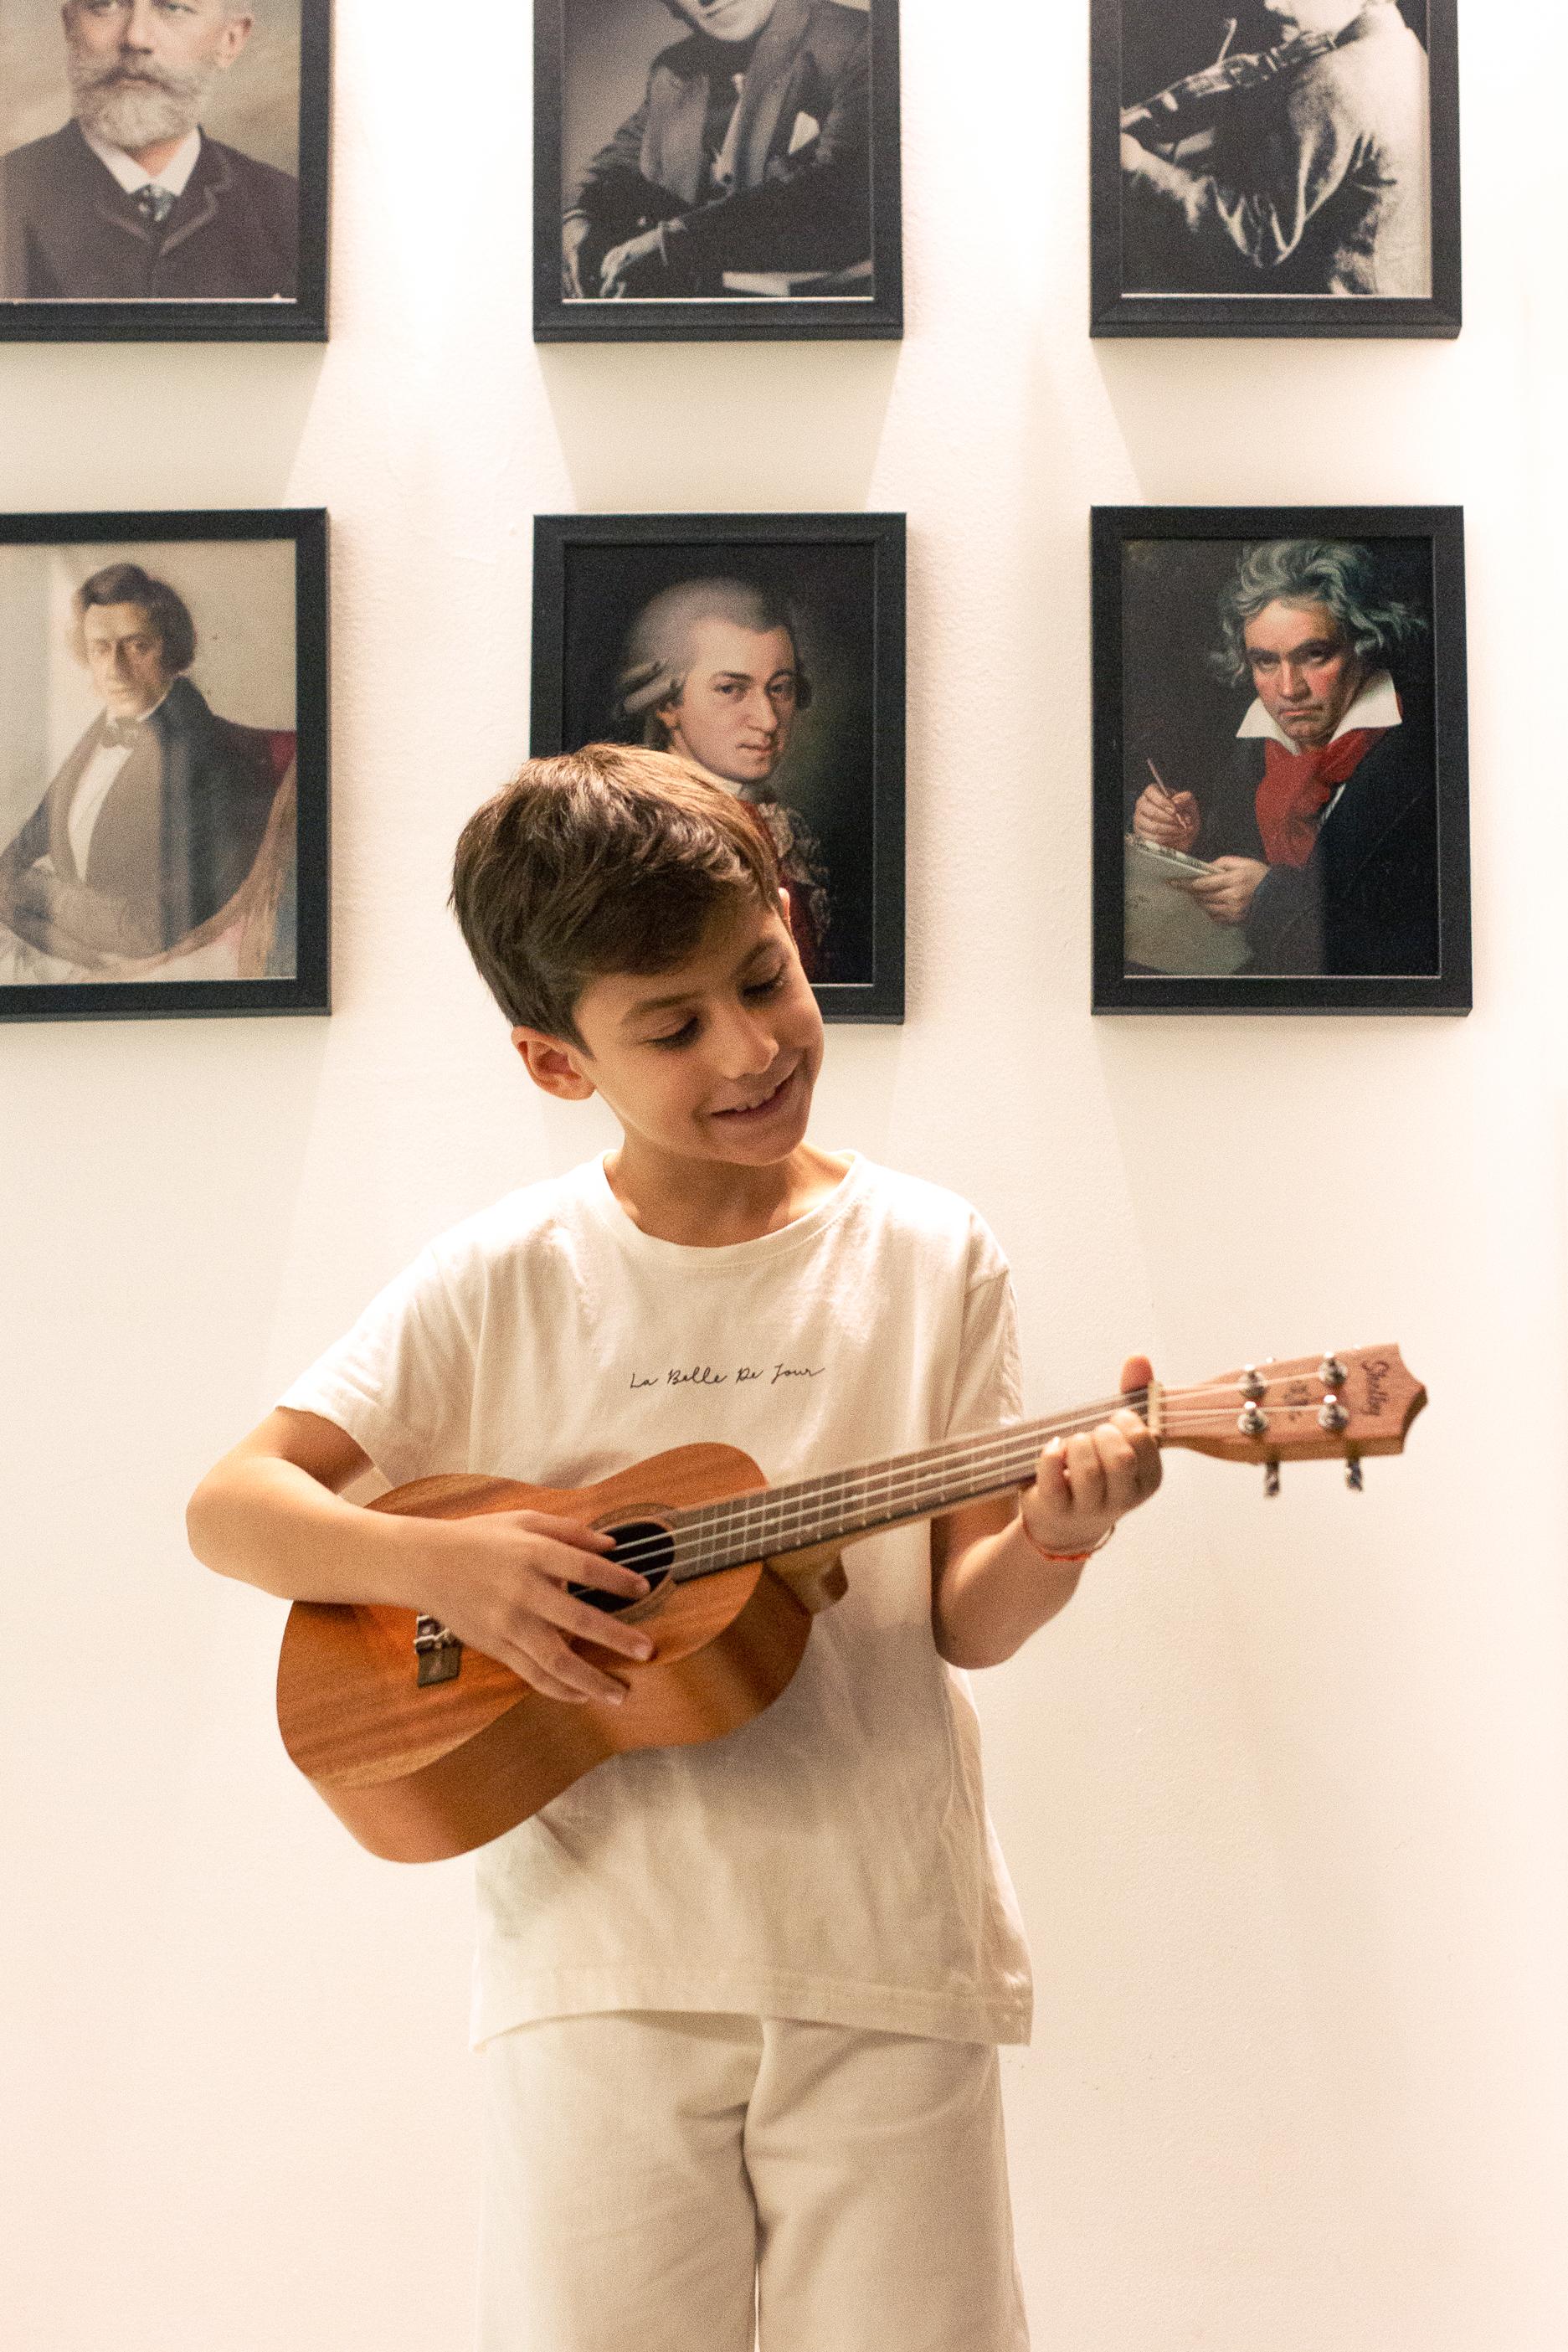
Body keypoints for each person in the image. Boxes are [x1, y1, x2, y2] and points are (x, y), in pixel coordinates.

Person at [186, 744, 1164, 2352]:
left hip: (883, 1945)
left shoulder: (929, 1254)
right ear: (554, 1060)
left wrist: (1056, 1538)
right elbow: (234, 1505)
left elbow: (962, 1621)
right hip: (596, 1958)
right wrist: (453, 1566)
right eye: (673, 1023)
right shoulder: (498, 1274)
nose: (751, 1044)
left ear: (786, 922)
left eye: (762, 978)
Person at [1131, 539, 1436, 975]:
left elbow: (1412, 943)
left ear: (1364, 644)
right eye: (1266, 662)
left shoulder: (1420, 757)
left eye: (1314, 655)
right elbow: (1233, 860)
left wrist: (1271, 896)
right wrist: (1185, 839)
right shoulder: (1255, 746)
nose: (1289, 689)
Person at [0, 561, 287, 967]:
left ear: (170, 650)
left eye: (137, 647)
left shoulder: (215, 758)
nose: (115, 669)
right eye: (101, 649)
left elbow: (156, 929)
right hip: (68, 951)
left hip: (157, 970)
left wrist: (36, 893)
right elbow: (18, 854)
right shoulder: (101, 730)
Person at [563, 0, 871, 301]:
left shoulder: (859, 40)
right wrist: (578, 218)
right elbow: (614, 165)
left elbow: (837, 189)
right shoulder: (673, 70)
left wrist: (676, 243)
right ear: (670, 6)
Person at [1120, 0, 1431, 297]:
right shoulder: (1405, 50)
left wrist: (1138, 166)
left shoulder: (1333, 80)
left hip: (1325, 321)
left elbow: (1256, 237)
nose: (1270, 4)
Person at [0, 0, 298, 301]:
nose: (135, 38)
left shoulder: (290, 209)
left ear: (230, 40)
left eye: (173, 7)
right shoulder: (8, 194)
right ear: (70, 27)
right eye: (105, 5)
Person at [619, 574, 833, 975]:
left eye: (780, 688)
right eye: (732, 689)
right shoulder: (642, 831)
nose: (768, 720)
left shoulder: (784, 823)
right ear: (667, 704)